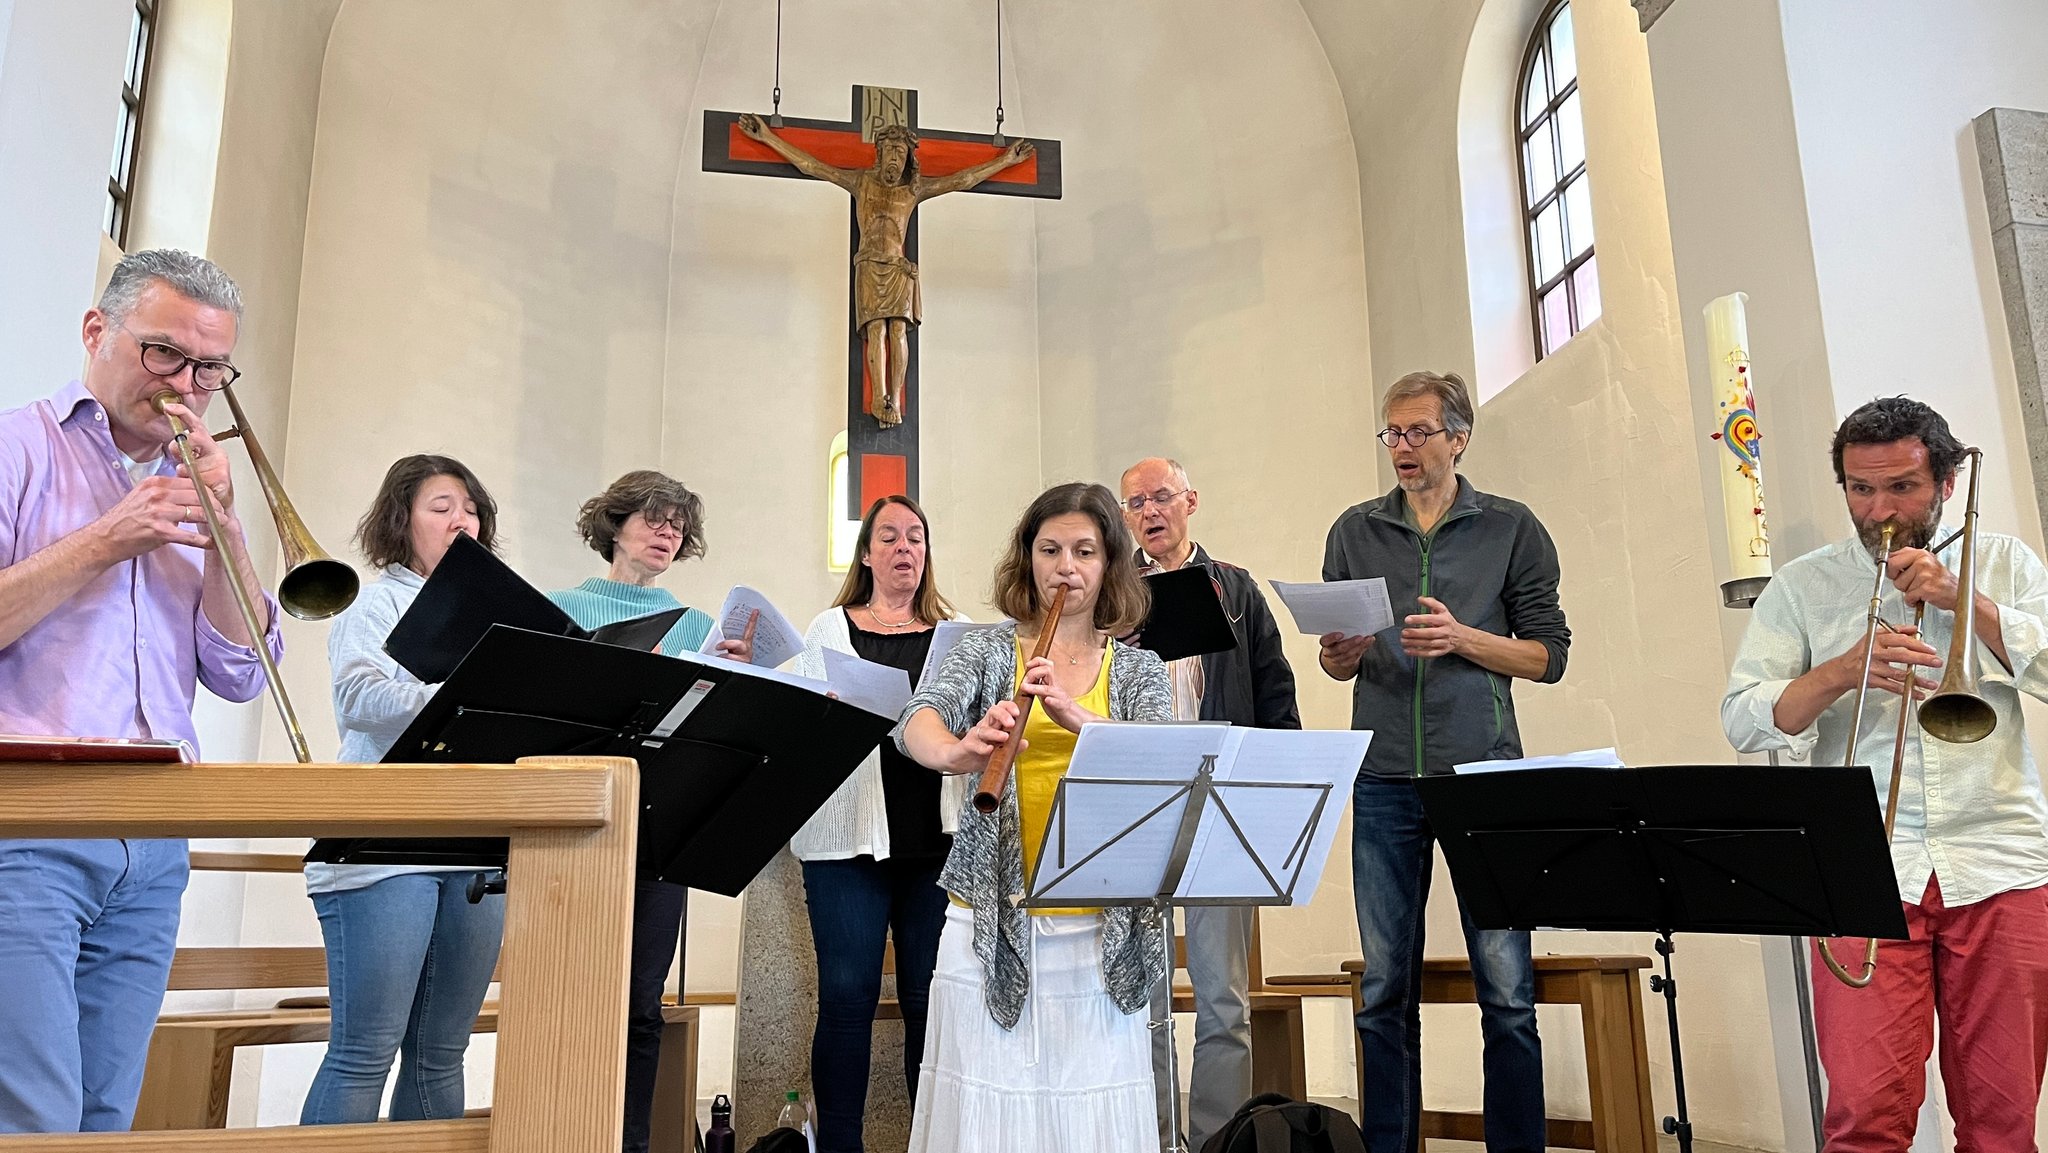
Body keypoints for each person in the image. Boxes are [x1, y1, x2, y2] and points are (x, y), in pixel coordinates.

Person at [0, 249, 283, 1133]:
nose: (186, 387)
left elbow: (241, 672)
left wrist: (229, 530)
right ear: (97, 331)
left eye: (209, 368)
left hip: (156, 839)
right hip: (29, 826)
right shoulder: (16, 447)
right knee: (32, 1116)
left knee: (103, 1114)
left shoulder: (195, 480)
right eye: (165, 354)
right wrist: (106, 537)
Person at [1723, 397, 2048, 1153]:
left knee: (2003, 1126)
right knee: (1865, 1117)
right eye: (1860, 490)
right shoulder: (1805, 587)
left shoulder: (2002, 562)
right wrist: (1840, 671)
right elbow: (1742, 716)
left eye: (1901, 487)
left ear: (1944, 481)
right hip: (1860, 867)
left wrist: (1963, 597)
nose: (1879, 511)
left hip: (2002, 859)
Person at [1318, 371, 1569, 1153]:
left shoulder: (1512, 527)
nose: (1403, 446)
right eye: (1392, 432)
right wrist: (1341, 651)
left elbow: (1546, 656)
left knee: (1507, 990)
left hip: (1483, 777)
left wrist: (1464, 638)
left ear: (1458, 438)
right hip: (1385, 775)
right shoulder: (1354, 530)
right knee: (1384, 989)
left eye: (1419, 431)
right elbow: (1336, 665)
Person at [897, 482, 1171, 1153]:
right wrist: (961, 751)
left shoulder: (1138, 670)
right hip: (990, 908)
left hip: (1097, 915)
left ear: (1110, 564)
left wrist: (1083, 722)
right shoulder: (991, 651)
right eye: (1050, 549)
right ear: (1029, 560)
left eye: (1084, 550)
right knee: (991, 1097)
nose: (1066, 567)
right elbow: (917, 721)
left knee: (1087, 1106)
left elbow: (1163, 761)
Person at [301, 454, 507, 1124]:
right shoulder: (372, 599)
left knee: (442, 1053)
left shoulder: (491, 614)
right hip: (382, 843)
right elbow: (360, 696)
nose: (461, 520)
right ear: (402, 518)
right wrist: (465, 693)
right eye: (441, 506)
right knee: (364, 1050)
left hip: (473, 843)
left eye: (471, 508)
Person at [548, 469, 748, 1153]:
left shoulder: (699, 625)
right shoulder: (556, 606)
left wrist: (728, 676)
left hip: (661, 825)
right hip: (572, 825)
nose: (669, 532)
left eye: (678, 524)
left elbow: (709, 730)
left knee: (640, 1006)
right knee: (568, 999)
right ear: (615, 523)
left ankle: (630, 1144)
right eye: (654, 518)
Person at [1118, 456, 1300, 1151]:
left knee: (1224, 996)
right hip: (1140, 800)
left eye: (1160, 496)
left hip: (1223, 799)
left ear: (1191, 500)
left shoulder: (1237, 590)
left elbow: (1275, 694)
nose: (1148, 511)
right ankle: (1152, 1134)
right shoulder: (1112, 594)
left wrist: (1275, 790)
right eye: (1134, 502)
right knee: (1143, 994)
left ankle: (1217, 1140)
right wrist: (1113, 644)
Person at [791, 495, 967, 1153]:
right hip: (846, 844)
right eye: (888, 536)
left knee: (931, 1000)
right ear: (866, 553)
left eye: (915, 536)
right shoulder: (827, 630)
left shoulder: (960, 634)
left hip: (938, 846)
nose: (904, 547)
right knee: (845, 995)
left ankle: (931, 1141)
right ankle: (839, 1146)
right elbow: (799, 723)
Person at [735, 113, 1034, 427]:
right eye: (890, 151)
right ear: (879, 153)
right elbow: (812, 166)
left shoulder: (912, 191)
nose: (895, 158)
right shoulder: (860, 181)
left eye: (901, 153)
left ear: (908, 159)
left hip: (898, 269)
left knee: (898, 331)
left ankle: (896, 397)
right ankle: (879, 398)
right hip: (868, 265)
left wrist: (1005, 162)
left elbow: (962, 179)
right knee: (875, 331)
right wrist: (768, 139)